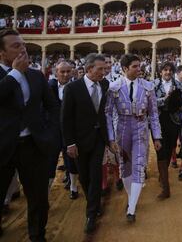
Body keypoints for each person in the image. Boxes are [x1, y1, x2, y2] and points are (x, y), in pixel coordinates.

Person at [0, 29, 59, 241]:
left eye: (23, 44)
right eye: (15, 46)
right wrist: (15, 73)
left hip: (33, 145)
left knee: (38, 198)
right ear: (2, 53)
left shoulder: (36, 75)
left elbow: (52, 106)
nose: (22, 48)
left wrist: (49, 133)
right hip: (3, 146)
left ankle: (37, 235)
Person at [105, 54, 162, 222]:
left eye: (139, 66)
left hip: (140, 128)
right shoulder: (114, 87)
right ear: (124, 69)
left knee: (138, 165)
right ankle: (132, 199)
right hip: (122, 129)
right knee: (125, 166)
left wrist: (157, 136)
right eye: (135, 66)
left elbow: (153, 114)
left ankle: (131, 209)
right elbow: (107, 114)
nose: (139, 69)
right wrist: (110, 138)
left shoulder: (148, 87)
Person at [61, 53, 112, 234]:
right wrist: (70, 143)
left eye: (105, 69)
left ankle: (91, 213)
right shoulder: (72, 88)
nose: (104, 72)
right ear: (89, 69)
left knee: (96, 175)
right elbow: (65, 119)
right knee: (84, 177)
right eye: (100, 69)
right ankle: (93, 202)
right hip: (79, 142)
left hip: (99, 139)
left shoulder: (105, 85)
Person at [48, 61, 80, 199]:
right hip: (53, 131)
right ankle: (46, 191)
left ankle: (73, 186)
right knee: (50, 161)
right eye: (62, 71)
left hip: (70, 131)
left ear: (72, 72)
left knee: (71, 160)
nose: (65, 74)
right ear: (56, 73)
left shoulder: (77, 87)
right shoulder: (49, 87)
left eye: (68, 71)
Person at [154, 62, 182, 199]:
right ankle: (166, 188)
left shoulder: (179, 85)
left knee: (169, 148)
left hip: (173, 121)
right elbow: (151, 103)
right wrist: (165, 99)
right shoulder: (153, 84)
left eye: (170, 70)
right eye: (165, 70)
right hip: (158, 121)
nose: (167, 72)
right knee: (161, 151)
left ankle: (162, 176)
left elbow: (181, 103)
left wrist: (174, 102)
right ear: (161, 72)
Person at [102, 54, 123, 196]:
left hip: (115, 117)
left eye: (110, 62)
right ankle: (103, 181)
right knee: (101, 152)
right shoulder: (95, 79)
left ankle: (117, 176)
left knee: (114, 149)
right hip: (99, 119)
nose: (108, 65)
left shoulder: (117, 79)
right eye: (105, 62)